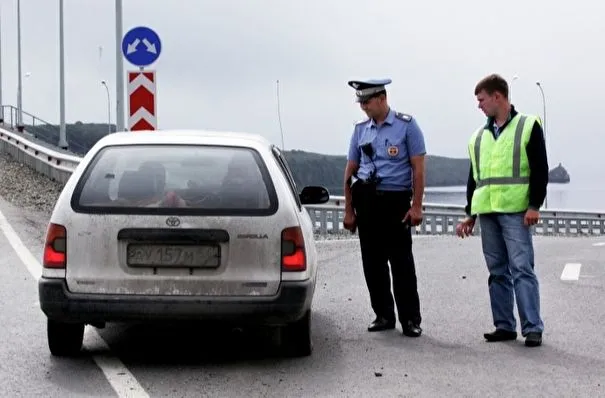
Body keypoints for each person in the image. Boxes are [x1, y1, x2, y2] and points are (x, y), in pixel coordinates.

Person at [456, 73, 548, 347]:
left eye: (482, 99)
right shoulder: (478, 137)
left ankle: (532, 328)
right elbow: (475, 179)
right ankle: (504, 326)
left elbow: (540, 170)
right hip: (488, 213)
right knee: (497, 271)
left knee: (521, 268)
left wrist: (534, 205)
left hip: (517, 212)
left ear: (498, 96)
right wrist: (469, 215)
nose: (479, 105)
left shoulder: (527, 126)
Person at [343, 78, 426, 337]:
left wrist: (417, 206)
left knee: (401, 262)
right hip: (366, 200)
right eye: (361, 102)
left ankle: (410, 319)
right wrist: (349, 209)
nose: (363, 107)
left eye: (367, 102)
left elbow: (418, 169)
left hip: (395, 200)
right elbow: (350, 170)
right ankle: (383, 314)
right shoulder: (360, 130)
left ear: (382, 98)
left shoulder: (406, 126)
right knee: (372, 262)